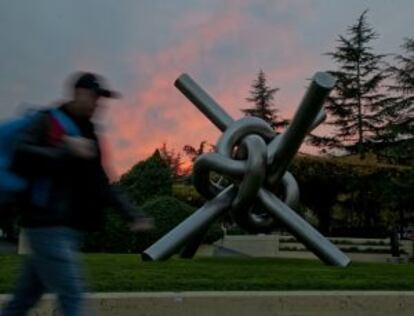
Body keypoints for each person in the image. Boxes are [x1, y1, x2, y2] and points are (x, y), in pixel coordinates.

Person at [1, 72, 153, 316]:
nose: (98, 104)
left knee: (23, 300)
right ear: (79, 93)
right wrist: (65, 149)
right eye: (95, 97)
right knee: (73, 295)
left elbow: (102, 182)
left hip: (69, 230)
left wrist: (132, 214)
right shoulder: (48, 121)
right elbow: (21, 153)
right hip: (46, 225)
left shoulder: (89, 133)